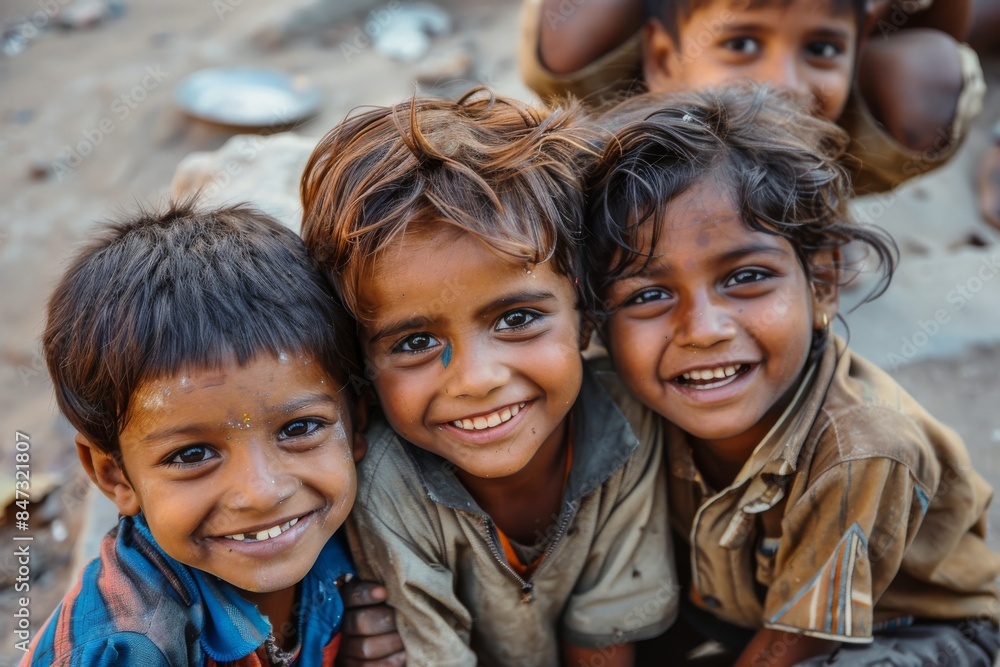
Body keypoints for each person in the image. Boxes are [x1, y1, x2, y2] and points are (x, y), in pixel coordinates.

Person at [583, 85, 1000, 665]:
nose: (702, 330)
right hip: (729, 611)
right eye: (648, 294)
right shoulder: (615, 403)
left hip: (908, 632)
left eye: (746, 277)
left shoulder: (863, 451)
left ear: (822, 282)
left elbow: (799, 639)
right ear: (597, 323)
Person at [299, 87, 677, 666]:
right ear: (363, 365)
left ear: (583, 314)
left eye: (518, 319)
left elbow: (605, 637)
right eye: (416, 342)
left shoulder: (625, 426)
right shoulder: (384, 483)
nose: (475, 379)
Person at [25, 201, 364, 666]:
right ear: (115, 477)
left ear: (357, 423)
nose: (262, 492)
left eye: (299, 428)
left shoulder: (359, 528)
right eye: (191, 455)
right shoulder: (126, 647)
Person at [519, 0, 985, 195]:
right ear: (661, 58)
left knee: (933, 71)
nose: (782, 82)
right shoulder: (606, 124)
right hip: (649, 61)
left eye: (821, 49)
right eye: (742, 44)